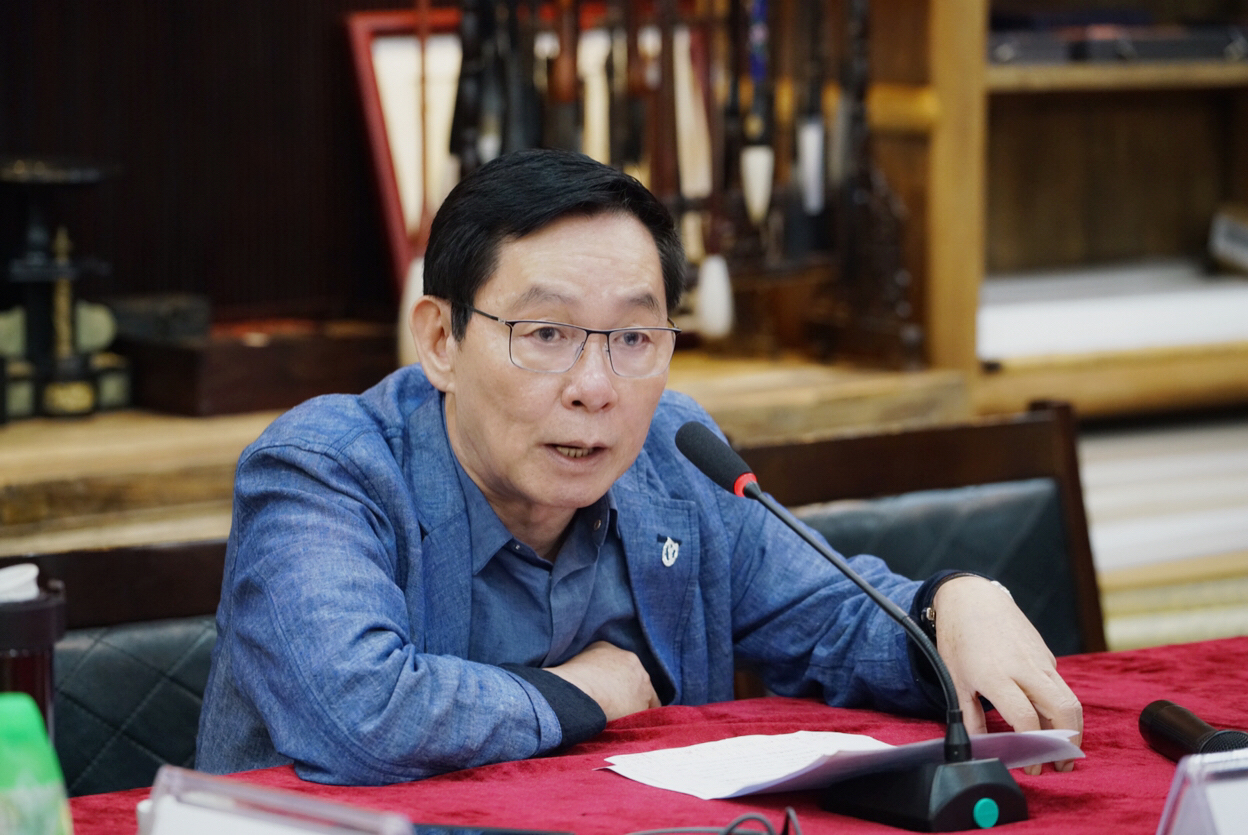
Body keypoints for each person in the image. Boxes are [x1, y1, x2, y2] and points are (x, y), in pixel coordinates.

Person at [197, 149, 1081, 786]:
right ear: (440, 340)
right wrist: (584, 692)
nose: (595, 387)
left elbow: (834, 622)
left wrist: (949, 605)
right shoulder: (323, 470)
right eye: (546, 333)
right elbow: (360, 715)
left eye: (632, 338)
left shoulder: (672, 452)